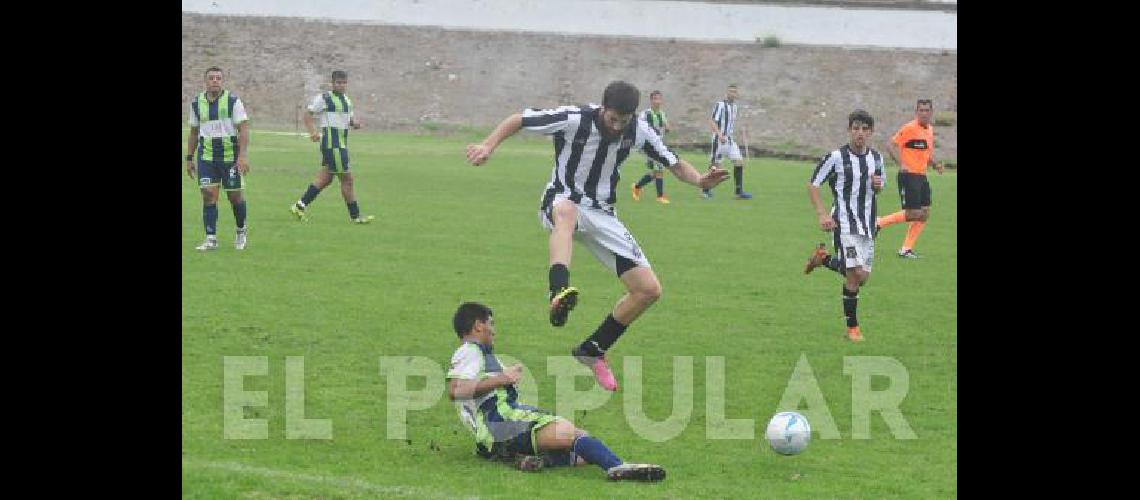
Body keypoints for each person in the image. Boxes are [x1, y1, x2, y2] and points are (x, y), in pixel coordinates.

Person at [465, 81, 729, 391]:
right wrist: (488, 145)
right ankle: (558, 292)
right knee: (566, 213)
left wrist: (700, 180)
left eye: (624, 121)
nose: (617, 127)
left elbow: (673, 162)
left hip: (603, 213)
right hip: (562, 198)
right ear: (603, 108)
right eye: (612, 118)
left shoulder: (639, 130)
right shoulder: (575, 118)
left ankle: (593, 349)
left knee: (648, 290)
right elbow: (519, 119)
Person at [446, 302, 666, 481]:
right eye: (490, 324)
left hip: (492, 434)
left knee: (583, 451)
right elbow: (455, 390)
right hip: (501, 421)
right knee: (566, 432)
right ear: (478, 326)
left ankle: (519, 458)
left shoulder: (478, 354)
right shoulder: (469, 351)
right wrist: (502, 379)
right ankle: (618, 468)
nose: (494, 330)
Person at [803, 109, 885, 342]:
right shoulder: (836, 157)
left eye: (864, 129)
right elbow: (813, 184)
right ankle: (853, 329)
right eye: (856, 128)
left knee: (863, 278)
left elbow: (879, 188)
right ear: (849, 130)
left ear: (870, 132)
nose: (860, 133)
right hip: (844, 223)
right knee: (854, 274)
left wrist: (878, 185)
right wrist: (821, 215)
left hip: (868, 225)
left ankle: (823, 259)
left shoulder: (876, 159)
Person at [289, 70, 375, 224]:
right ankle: (356, 216)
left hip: (341, 144)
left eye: (343, 83)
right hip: (332, 144)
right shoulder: (324, 98)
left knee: (325, 178)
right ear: (332, 83)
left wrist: (355, 124)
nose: (341, 86)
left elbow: (348, 120)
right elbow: (308, 115)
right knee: (347, 179)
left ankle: (299, 206)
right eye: (338, 83)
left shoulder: (347, 101)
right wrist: (313, 132)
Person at [186, 66, 250, 251]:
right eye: (211, 78)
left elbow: (243, 128)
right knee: (208, 194)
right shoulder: (196, 103)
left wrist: (242, 156)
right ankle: (211, 238)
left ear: (222, 81)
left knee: (235, 196)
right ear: (205, 81)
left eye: (218, 78)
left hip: (230, 157)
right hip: (206, 157)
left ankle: (240, 231)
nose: (215, 81)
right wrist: (189, 158)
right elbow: (193, 132)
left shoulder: (232, 101)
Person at [875, 98, 944, 258]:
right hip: (908, 176)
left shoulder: (929, 130)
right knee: (913, 213)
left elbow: (925, 152)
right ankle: (879, 223)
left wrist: (935, 165)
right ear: (916, 112)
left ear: (931, 112)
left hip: (922, 176)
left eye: (927, 110)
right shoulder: (909, 128)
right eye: (921, 110)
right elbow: (890, 145)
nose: (924, 113)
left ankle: (906, 249)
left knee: (925, 213)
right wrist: (901, 164)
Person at [704, 84, 753, 200]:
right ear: (726, 93)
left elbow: (730, 123)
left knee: (739, 162)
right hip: (719, 140)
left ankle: (738, 192)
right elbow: (712, 121)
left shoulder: (735, 107)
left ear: (737, 94)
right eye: (730, 91)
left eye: (734, 92)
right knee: (715, 166)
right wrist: (719, 134)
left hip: (730, 141)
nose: (732, 94)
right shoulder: (720, 105)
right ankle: (705, 190)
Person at [631, 90, 671, 204]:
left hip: (658, 145)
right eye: (655, 99)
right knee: (659, 169)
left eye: (659, 99)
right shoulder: (645, 114)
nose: (657, 101)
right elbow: (640, 128)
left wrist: (667, 128)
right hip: (649, 147)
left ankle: (637, 187)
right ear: (651, 100)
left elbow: (665, 126)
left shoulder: (661, 114)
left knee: (655, 172)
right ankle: (660, 196)